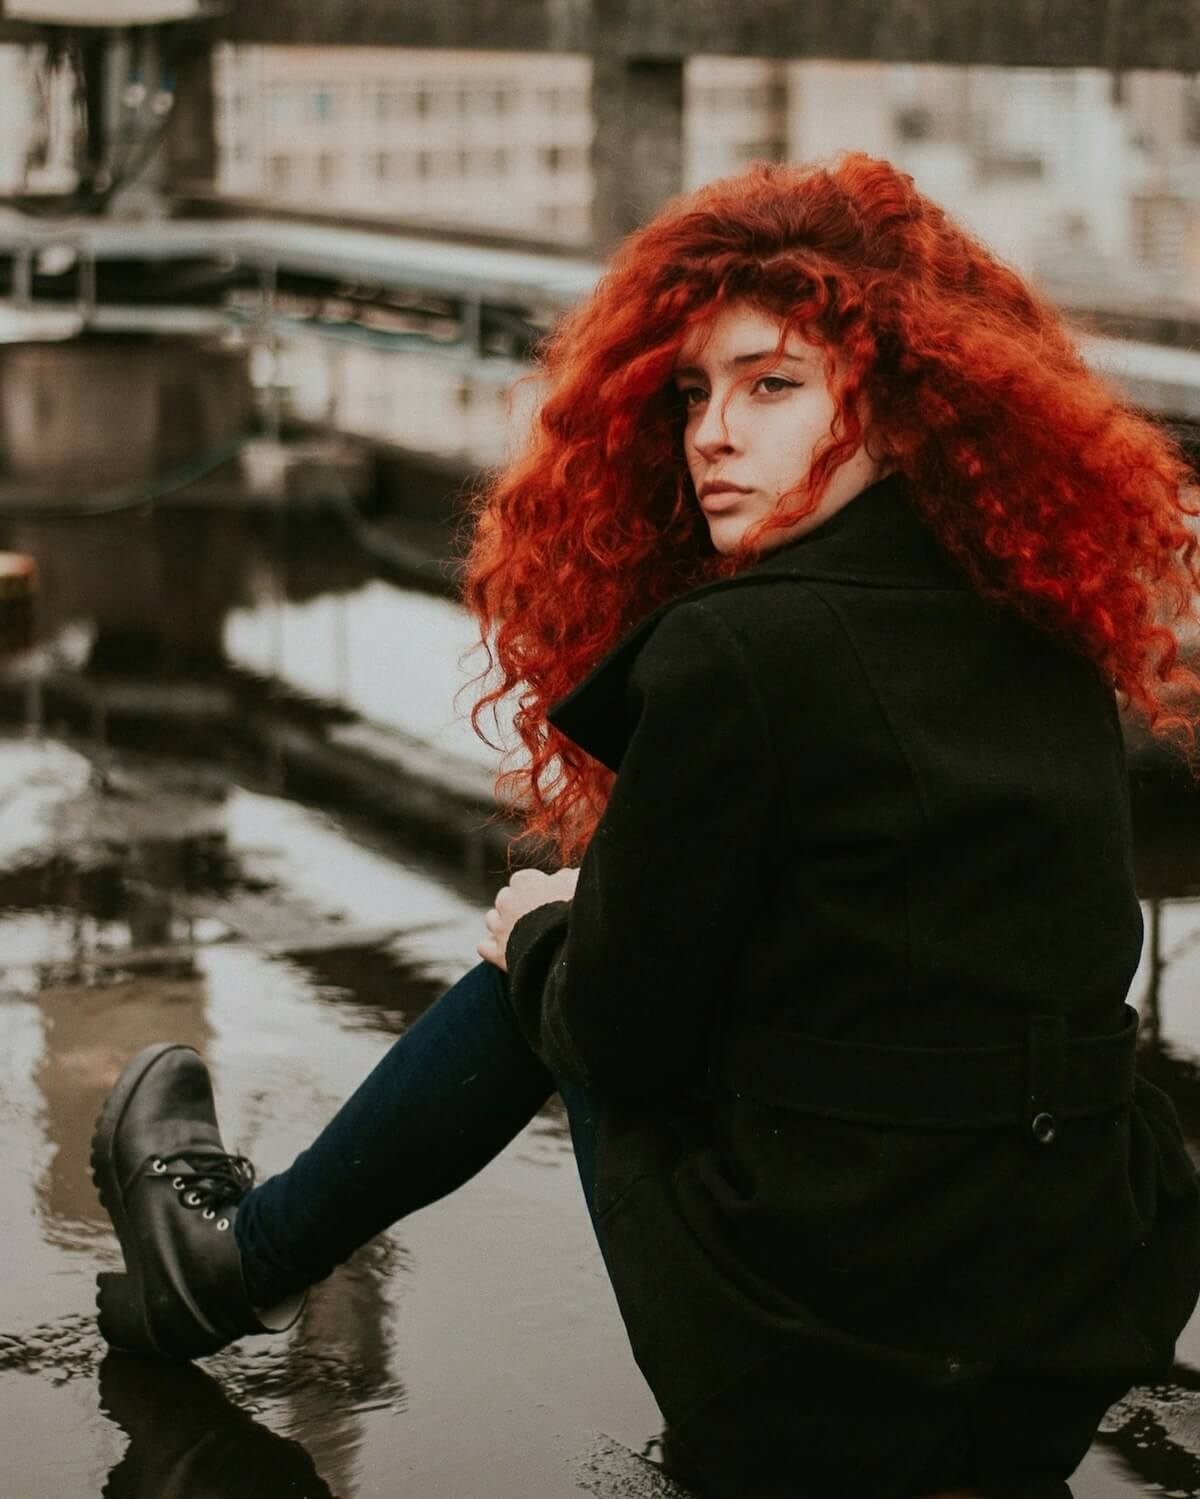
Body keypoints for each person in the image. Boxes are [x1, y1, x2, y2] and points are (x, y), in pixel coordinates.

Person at [90, 153, 1200, 1499]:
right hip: (1047, 1355)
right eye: (693, 393)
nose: (713, 433)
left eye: (770, 385)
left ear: (907, 412)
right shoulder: (1045, 634)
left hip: (811, 1379)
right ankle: (237, 1261)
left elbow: (617, 1037)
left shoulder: (745, 653)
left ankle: (228, 1267)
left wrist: (556, 938)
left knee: (549, 951)